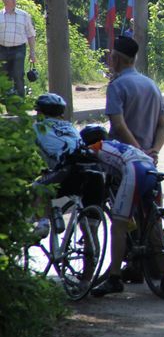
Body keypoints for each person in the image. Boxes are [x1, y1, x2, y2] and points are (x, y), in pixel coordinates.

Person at [81, 124, 163, 297]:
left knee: (118, 226)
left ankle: (114, 278)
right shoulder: (120, 145)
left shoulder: (95, 147)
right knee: (153, 223)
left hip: (134, 172)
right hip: (150, 170)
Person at [31, 94, 104, 238]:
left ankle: (43, 224)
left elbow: (29, 155)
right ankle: (92, 251)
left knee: (37, 187)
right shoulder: (71, 127)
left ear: (39, 112)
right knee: (90, 225)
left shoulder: (37, 128)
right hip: (93, 171)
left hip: (67, 172)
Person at [105, 36, 164, 162]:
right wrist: (154, 151)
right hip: (148, 161)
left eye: (112, 57)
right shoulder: (152, 85)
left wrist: (138, 151)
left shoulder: (116, 86)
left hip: (122, 158)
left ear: (116, 59)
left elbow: (118, 125)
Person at [0, 0, 38, 96]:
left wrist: (32, 53)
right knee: (4, 77)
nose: (14, 0)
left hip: (18, 49)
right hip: (2, 49)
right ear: (5, 1)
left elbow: (31, 34)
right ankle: (10, 106)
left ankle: (20, 102)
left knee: (18, 75)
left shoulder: (24, 15)